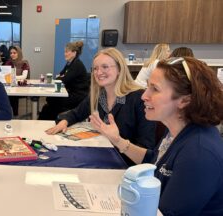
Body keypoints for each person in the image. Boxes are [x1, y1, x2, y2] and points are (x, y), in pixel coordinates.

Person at [90, 57, 223, 215]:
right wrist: (117, 140)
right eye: (147, 87)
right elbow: (155, 160)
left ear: (185, 100)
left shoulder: (199, 153)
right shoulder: (177, 130)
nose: (144, 96)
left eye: (155, 89)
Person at [46, 48, 156, 166]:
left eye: (105, 67)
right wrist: (65, 121)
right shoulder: (98, 95)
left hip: (126, 167)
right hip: (101, 156)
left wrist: (118, 141)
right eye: (95, 69)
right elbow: (76, 113)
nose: (98, 73)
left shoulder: (139, 99)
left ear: (119, 69)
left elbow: (147, 153)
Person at [39, 41, 89, 120]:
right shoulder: (70, 63)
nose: (64, 54)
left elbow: (63, 79)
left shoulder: (76, 64)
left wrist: (61, 77)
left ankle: (52, 119)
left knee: (51, 101)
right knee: (50, 100)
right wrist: (61, 76)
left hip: (77, 96)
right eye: (64, 52)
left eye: (67, 52)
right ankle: (48, 118)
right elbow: (60, 76)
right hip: (70, 91)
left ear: (74, 53)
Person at [5, 45, 30, 116]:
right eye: (11, 53)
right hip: (10, 86)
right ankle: (8, 113)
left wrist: (12, 77)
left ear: (19, 53)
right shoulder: (8, 63)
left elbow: (24, 76)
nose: (12, 55)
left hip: (21, 87)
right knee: (7, 94)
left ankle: (15, 115)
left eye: (14, 53)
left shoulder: (24, 63)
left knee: (13, 96)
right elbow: (5, 75)